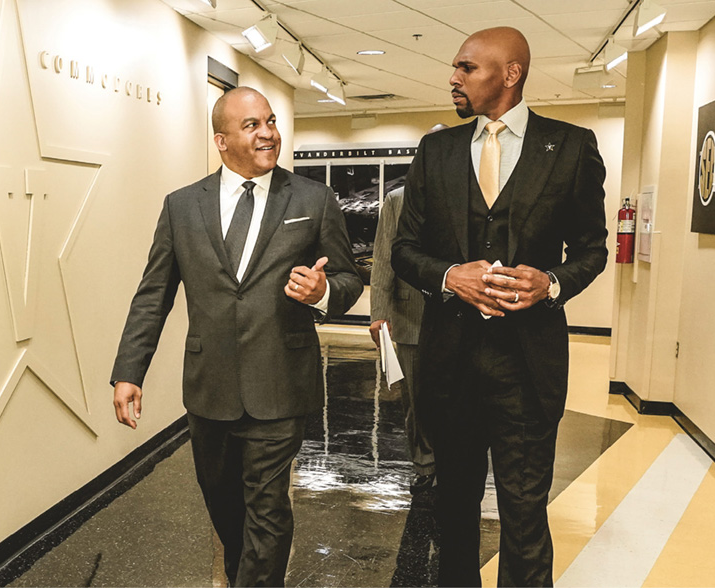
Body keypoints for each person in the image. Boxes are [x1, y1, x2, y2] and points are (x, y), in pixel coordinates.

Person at [110, 87, 363, 587]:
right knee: (227, 511)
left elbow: (350, 280)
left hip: (281, 383)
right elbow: (153, 294)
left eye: (270, 121)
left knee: (268, 510)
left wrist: (321, 293)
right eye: (252, 125)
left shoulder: (313, 199)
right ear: (222, 140)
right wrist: (128, 371)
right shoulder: (182, 207)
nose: (269, 132)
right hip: (211, 389)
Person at [392, 27, 608, 587]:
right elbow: (403, 250)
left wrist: (553, 283)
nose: (453, 78)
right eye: (456, 68)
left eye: (467, 68)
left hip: (527, 368)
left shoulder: (571, 146)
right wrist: (447, 275)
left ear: (510, 74)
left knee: (524, 516)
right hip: (449, 365)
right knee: (454, 510)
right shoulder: (435, 151)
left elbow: (592, 250)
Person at [369, 124, 447, 496]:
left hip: (458, 317)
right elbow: (384, 258)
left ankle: (453, 462)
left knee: (457, 398)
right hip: (410, 317)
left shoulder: (471, 198)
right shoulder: (397, 200)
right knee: (415, 400)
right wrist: (378, 312)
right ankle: (424, 464)